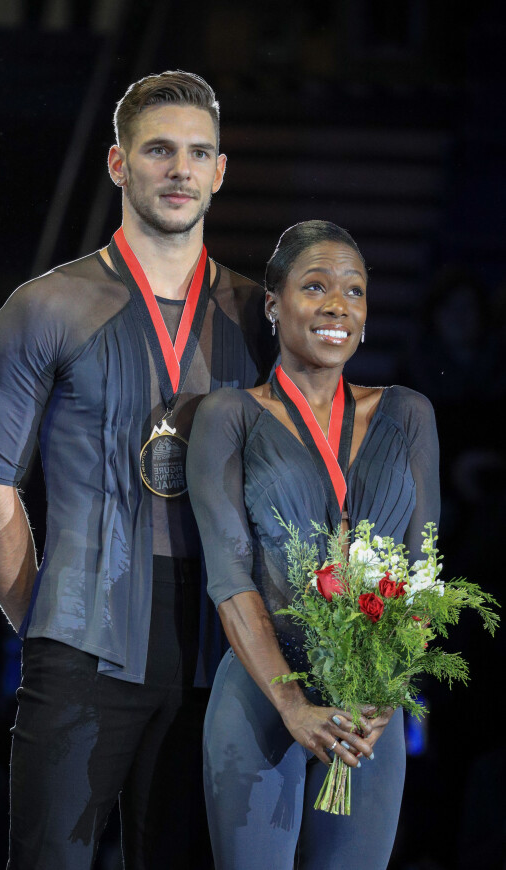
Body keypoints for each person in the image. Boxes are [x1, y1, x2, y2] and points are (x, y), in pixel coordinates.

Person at [0, 70, 277, 870]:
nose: (179, 170)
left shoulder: (256, 318)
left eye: (197, 153)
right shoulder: (46, 307)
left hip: (217, 644)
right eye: (159, 150)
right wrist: (43, 617)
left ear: (221, 171)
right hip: (80, 637)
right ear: (117, 165)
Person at [187, 220, 440, 870]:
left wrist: (383, 693)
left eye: (354, 291)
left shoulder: (408, 415)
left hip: (367, 707)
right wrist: (293, 706)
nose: (338, 305)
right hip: (261, 696)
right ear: (273, 305)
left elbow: (423, 573)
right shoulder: (227, 416)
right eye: (316, 286)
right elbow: (228, 576)